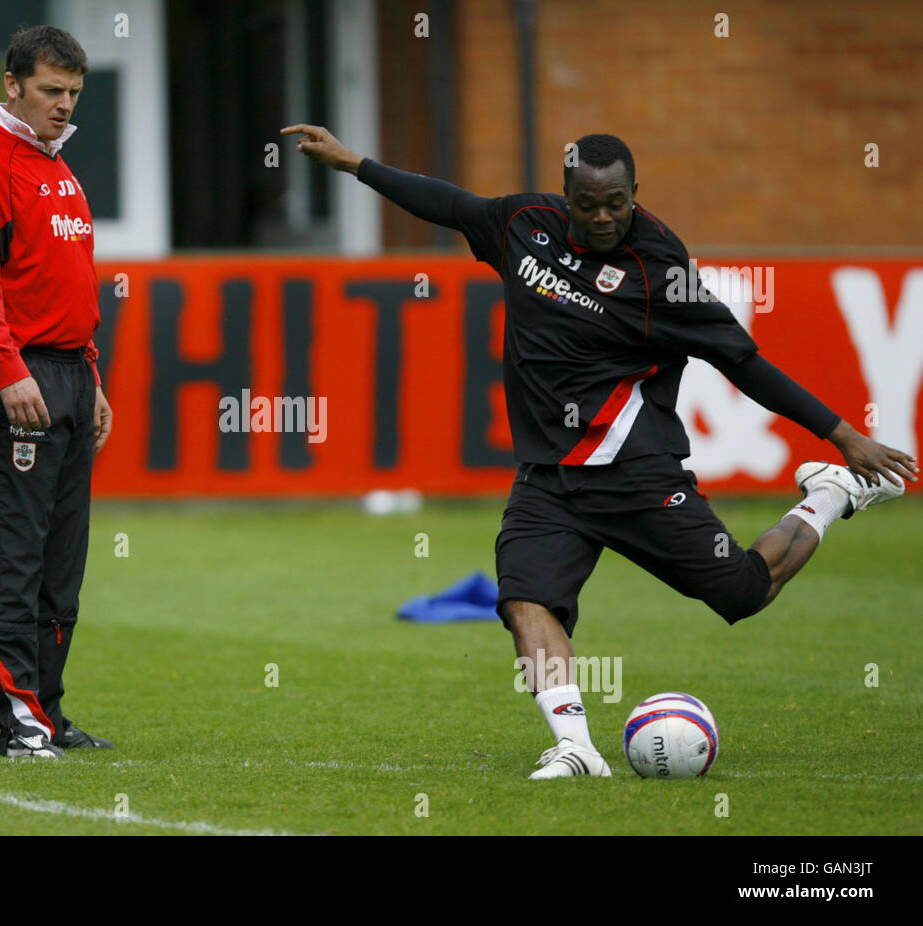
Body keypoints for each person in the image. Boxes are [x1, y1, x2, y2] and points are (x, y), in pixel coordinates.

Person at [282, 124, 917, 778]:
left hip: (634, 471)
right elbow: (447, 203)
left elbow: (743, 362)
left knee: (742, 593)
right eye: (590, 204)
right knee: (525, 597)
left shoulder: (662, 273)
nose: (605, 216)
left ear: (635, 194)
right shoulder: (525, 224)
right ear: (566, 196)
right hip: (548, 479)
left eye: (617, 202)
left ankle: (829, 495)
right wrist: (354, 163)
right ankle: (577, 748)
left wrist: (842, 435)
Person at [0, 25, 114, 759]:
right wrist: (8, 370)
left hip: (70, 374)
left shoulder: (58, 168)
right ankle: (19, 718)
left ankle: (47, 709)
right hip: (12, 375)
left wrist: (93, 376)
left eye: (73, 93)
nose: (64, 106)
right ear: (12, 84)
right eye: (50, 91)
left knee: (62, 560)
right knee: (14, 552)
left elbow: (67, 286)